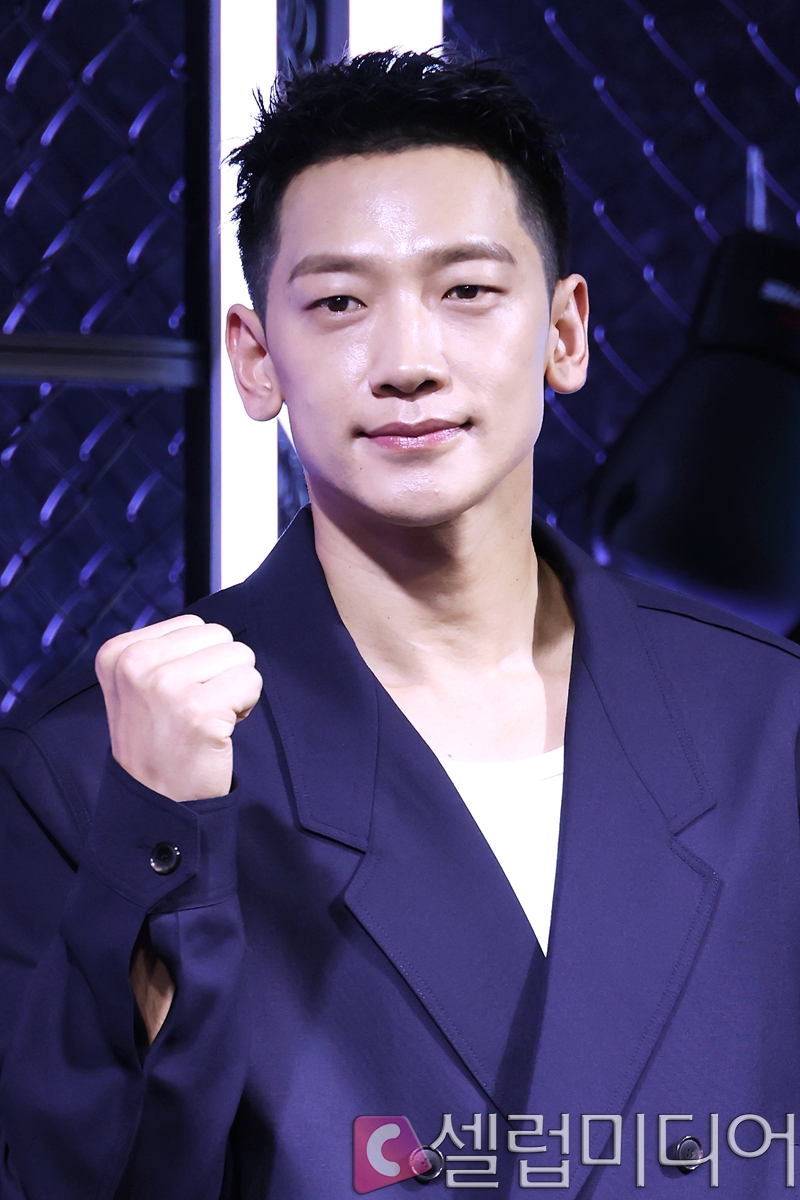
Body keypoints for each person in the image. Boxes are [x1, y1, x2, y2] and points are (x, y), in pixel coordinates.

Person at [0, 50, 798, 1200]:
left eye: (465, 291)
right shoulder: (87, 775)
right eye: (338, 303)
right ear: (256, 359)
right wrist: (156, 834)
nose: (408, 363)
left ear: (564, 332)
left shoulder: (767, 726)